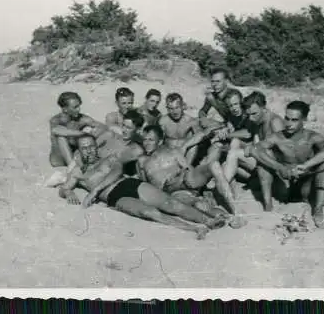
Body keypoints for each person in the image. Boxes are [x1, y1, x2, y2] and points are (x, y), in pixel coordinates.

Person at [59, 134, 227, 240]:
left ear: (96, 146)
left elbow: (117, 172)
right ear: (79, 151)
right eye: (84, 148)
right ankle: (195, 229)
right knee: (149, 212)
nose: (88, 150)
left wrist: (95, 190)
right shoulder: (77, 173)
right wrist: (68, 193)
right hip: (115, 197)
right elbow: (65, 187)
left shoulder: (109, 159)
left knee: (170, 204)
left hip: (130, 184)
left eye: (91, 146)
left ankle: (208, 221)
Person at [249, 101, 324, 226]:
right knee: (263, 161)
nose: (288, 124)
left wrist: (306, 166)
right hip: (283, 186)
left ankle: (318, 210)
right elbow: (255, 149)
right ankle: (268, 207)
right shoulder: (277, 137)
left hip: (304, 187)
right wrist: (279, 167)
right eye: (287, 118)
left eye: (294, 120)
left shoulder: (311, 136)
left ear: (304, 119)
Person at [136, 125, 241, 221]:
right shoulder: (142, 162)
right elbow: (145, 185)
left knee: (214, 165)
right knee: (199, 205)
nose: (146, 143)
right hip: (172, 191)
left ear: (159, 141)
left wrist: (201, 189)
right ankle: (228, 218)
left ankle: (235, 209)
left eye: (151, 140)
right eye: (145, 139)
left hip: (186, 179)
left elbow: (188, 168)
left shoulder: (173, 152)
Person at [48, 92, 114, 204]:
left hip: (73, 155)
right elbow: (57, 130)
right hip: (58, 159)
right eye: (75, 107)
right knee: (62, 137)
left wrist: (93, 132)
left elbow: (102, 127)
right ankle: (71, 170)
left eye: (79, 105)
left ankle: (78, 166)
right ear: (65, 109)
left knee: (94, 136)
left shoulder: (82, 119)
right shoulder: (56, 120)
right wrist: (82, 133)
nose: (78, 109)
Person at [221, 91, 285, 200]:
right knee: (226, 162)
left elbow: (283, 151)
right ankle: (228, 188)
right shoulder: (258, 120)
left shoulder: (275, 122)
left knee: (233, 155)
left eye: (254, 113)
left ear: (264, 108)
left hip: (274, 166)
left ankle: (221, 190)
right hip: (262, 161)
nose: (250, 118)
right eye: (249, 114)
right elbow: (253, 138)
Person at [159, 93, 219, 165]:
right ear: (167, 108)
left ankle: (186, 170)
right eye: (171, 109)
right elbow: (159, 141)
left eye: (177, 108)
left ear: (182, 106)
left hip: (185, 155)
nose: (174, 112)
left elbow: (200, 135)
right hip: (168, 154)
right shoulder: (163, 121)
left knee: (194, 147)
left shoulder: (190, 121)